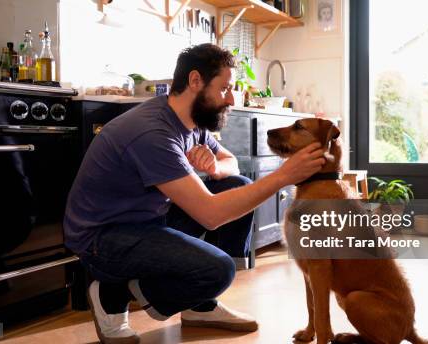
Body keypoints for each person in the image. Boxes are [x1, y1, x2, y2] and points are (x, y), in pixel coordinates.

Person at [63, 43, 326, 343]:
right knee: (218, 270)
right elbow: (210, 215)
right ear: (195, 81)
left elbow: (232, 161)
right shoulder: (152, 133)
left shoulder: (191, 122)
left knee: (236, 183)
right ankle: (112, 291)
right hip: (103, 238)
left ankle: (199, 305)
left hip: (147, 220)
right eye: (225, 88)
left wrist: (215, 167)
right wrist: (284, 176)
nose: (231, 98)